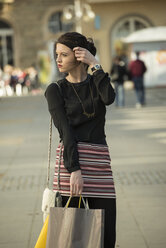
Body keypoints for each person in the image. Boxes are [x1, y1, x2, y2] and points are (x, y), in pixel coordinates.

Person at [45, 32, 116, 248]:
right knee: (70, 235)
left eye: (63, 54)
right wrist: (74, 169)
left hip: (100, 168)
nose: (58, 59)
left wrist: (95, 64)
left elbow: (109, 98)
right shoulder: (56, 90)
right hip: (71, 166)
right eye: (56, 54)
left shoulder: (97, 83)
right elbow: (65, 132)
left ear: (78, 56)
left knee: (105, 234)